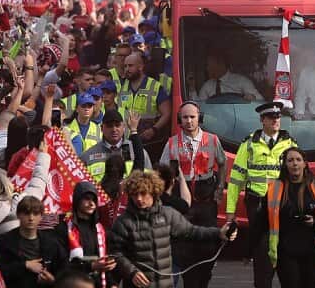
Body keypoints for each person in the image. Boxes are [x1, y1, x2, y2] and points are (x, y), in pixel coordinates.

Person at [111, 170, 232, 288]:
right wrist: (131, 271)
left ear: (153, 192)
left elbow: (192, 231)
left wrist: (219, 233)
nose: (139, 198)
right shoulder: (123, 222)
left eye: (143, 193)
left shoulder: (168, 215)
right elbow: (115, 253)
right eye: (134, 194)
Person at [225, 103, 297, 288]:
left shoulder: (290, 144)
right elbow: (235, 180)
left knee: (287, 255)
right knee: (262, 255)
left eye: (278, 117)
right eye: (271, 117)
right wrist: (230, 212)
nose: (276, 120)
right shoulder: (249, 144)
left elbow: (300, 179)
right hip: (258, 206)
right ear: (262, 120)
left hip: (283, 205)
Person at [158, 101, 227, 288]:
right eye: (185, 117)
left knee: (209, 245)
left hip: (206, 202)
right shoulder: (172, 143)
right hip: (183, 202)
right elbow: (162, 172)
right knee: (185, 248)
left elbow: (222, 163)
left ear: (199, 118)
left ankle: (203, 278)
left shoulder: (212, 140)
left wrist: (220, 188)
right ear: (179, 120)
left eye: (192, 117)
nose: (189, 121)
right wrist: (167, 196)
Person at [264, 147, 315, 288]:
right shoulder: (275, 188)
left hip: (311, 251)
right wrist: (249, 249)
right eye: (290, 160)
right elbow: (261, 219)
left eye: (298, 160)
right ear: (285, 165)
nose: (295, 163)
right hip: (285, 251)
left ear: (305, 163)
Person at [0, 196, 68, 288]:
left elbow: (65, 269)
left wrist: (53, 280)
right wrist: (25, 265)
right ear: (18, 215)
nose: (31, 218)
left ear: (41, 216)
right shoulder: (4, 241)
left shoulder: (52, 242)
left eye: (35, 214)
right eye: (26, 213)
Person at [81, 108, 151, 183]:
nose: (114, 129)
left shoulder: (138, 152)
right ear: (101, 128)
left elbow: (150, 181)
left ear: (123, 127)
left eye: (117, 125)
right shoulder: (88, 156)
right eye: (109, 126)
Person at [115, 51, 170, 143]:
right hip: (126, 138)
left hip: (148, 138)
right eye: (125, 66)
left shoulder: (154, 86)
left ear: (140, 67)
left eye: (130, 66)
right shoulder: (122, 86)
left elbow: (167, 113)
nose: (127, 69)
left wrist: (154, 130)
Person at [193, 53, 263, 102]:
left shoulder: (241, 81)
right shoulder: (207, 85)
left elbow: (260, 100)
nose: (207, 69)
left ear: (220, 64)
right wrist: (192, 88)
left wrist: (252, 98)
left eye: (208, 65)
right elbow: (198, 105)